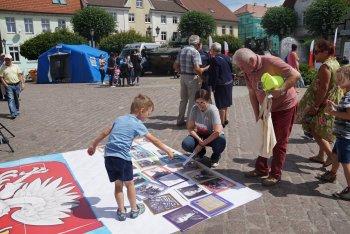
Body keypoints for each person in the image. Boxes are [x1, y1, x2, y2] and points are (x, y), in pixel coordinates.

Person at [87, 94, 174, 221]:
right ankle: (134, 209)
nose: (148, 117)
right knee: (130, 184)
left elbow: (105, 132)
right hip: (122, 158)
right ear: (142, 111)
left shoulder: (120, 118)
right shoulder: (138, 124)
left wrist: (93, 145)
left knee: (118, 185)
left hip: (109, 157)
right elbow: (153, 140)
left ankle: (121, 211)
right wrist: (167, 150)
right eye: (148, 113)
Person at [233, 48, 300, 186]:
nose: (241, 70)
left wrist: (281, 90)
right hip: (266, 107)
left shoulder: (271, 61)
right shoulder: (248, 70)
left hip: (284, 107)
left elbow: (295, 75)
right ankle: (261, 168)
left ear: (251, 61)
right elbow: (252, 93)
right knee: (264, 137)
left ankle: (275, 174)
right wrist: (257, 115)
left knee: (280, 141)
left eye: (241, 66)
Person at [298, 39, 342, 167]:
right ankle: (320, 155)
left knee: (315, 130)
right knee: (322, 129)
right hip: (331, 101)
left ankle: (331, 157)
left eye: (317, 52)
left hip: (323, 103)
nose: (314, 54)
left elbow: (323, 88)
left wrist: (316, 106)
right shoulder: (335, 62)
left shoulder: (325, 67)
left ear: (326, 52)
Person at [321, 65, 350, 200]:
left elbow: (349, 115)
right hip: (342, 135)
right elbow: (345, 111)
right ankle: (332, 174)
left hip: (346, 136)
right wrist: (336, 106)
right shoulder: (347, 94)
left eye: (340, 79)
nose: (338, 82)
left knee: (345, 161)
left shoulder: (349, 95)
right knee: (336, 154)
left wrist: (332, 112)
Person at [181, 89, 226, 168]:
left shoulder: (213, 110)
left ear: (208, 100)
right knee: (186, 144)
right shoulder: (194, 108)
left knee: (221, 141)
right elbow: (190, 128)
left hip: (213, 136)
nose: (199, 105)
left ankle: (216, 156)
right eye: (197, 102)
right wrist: (199, 140)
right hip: (200, 135)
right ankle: (200, 153)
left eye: (202, 102)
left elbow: (217, 132)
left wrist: (202, 144)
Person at [173, 35, 208, 126]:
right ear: (197, 43)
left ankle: (180, 120)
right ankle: (190, 122)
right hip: (192, 78)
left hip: (183, 77)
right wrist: (204, 70)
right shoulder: (195, 52)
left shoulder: (182, 50)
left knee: (183, 100)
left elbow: (175, 66)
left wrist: (181, 71)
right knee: (192, 101)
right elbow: (197, 69)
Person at [208, 42, 234, 127]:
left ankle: (221, 123)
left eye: (211, 49)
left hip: (221, 85)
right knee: (226, 103)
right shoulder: (226, 57)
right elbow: (231, 69)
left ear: (213, 50)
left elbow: (215, 74)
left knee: (221, 105)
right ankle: (226, 119)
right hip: (229, 82)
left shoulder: (214, 59)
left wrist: (213, 87)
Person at [0, 54, 25, 119]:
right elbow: (1, 77)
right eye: (6, 59)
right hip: (9, 86)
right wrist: (5, 85)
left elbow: (20, 75)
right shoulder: (2, 67)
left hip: (17, 85)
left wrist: (22, 83)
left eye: (8, 59)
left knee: (16, 98)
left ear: (11, 59)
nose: (7, 60)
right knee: (10, 99)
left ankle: (16, 110)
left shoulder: (16, 66)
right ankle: (13, 113)